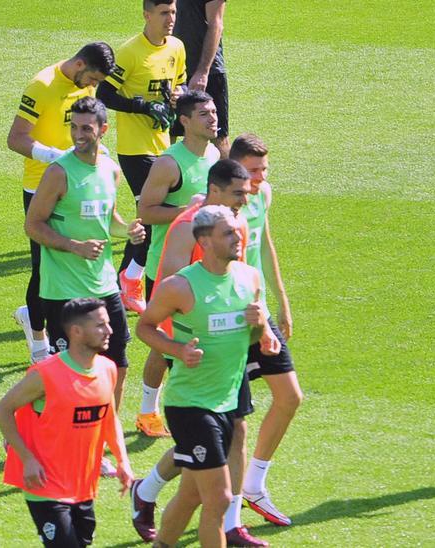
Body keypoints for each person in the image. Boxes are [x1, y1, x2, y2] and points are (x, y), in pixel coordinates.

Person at [130, 160, 269, 546]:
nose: (239, 238)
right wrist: (177, 349)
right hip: (191, 402)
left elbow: (255, 334)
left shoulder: (248, 279)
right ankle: (228, 526)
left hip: (227, 395)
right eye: (229, 234)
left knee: (192, 493)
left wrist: (262, 329)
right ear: (204, 241)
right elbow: (145, 325)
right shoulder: (180, 286)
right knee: (218, 497)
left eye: (237, 232)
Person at [25, 96, 146, 411]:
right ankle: (41, 425)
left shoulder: (110, 171)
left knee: (118, 362)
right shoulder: (58, 173)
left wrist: (128, 230)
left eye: (86, 128)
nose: (78, 135)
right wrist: (73, 246)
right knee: (66, 372)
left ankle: (106, 431)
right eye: (74, 127)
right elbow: (33, 225)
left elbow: (109, 219)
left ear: (103, 129)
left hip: (104, 285)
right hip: (63, 289)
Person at [8, 42, 117, 364]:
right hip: (41, 185)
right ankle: (39, 341)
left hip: (79, 183)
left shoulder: (86, 88)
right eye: (92, 78)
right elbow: (15, 138)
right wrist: (52, 156)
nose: (93, 87)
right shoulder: (42, 85)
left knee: (73, 262)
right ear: (80, 64)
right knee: (43, 267)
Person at [0, 298, 135, 547]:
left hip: (83, 484)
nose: (110, 331)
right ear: (76, 332)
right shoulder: (45, 374)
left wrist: (122, 460)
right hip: (44, 484)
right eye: (100, 325)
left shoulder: (107, 369)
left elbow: (109, 417)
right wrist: (26, 458)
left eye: (108, 324)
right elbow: (2, 410)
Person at [134, 90, 222, 439]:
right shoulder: (169, 163)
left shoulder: (215, 154)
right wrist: (191, 212)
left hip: (204, 268)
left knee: (197, 337)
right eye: (204, 113)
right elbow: (146, 211)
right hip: (167, 269)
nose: (213, 118)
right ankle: (146, 411)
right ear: (184, 121)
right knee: (164, 343)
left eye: (214, 111)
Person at [96, 0, 188, 314]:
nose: (171, 19)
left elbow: (181, 83)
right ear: (147, 15)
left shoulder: (176, 47)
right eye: (164, 13)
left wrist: (180, 96)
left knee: (147, 220)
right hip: (135, 150)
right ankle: (132, 278)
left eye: (174, 12)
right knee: (153, 215)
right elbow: (104, 94)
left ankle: (122, 282)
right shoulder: (130, 52)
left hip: (164, 148)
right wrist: (144, 106)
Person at [229, 134, 301, 527]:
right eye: (253, 171)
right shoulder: (223, 207)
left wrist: (282, 301)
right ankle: (149, 488)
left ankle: (255, 484)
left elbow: (265, 245)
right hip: (232, 318)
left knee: (289, 397)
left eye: (264, 170)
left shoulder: (263, 195)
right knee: (226, 425)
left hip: (258, 309)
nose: (260, 178)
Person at [170, 0, 229, 156]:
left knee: (218, 137)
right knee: (166, 134)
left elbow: (216, 25)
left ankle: (231, 180)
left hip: (207, 73)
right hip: (172, 69)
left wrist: (203, 71)